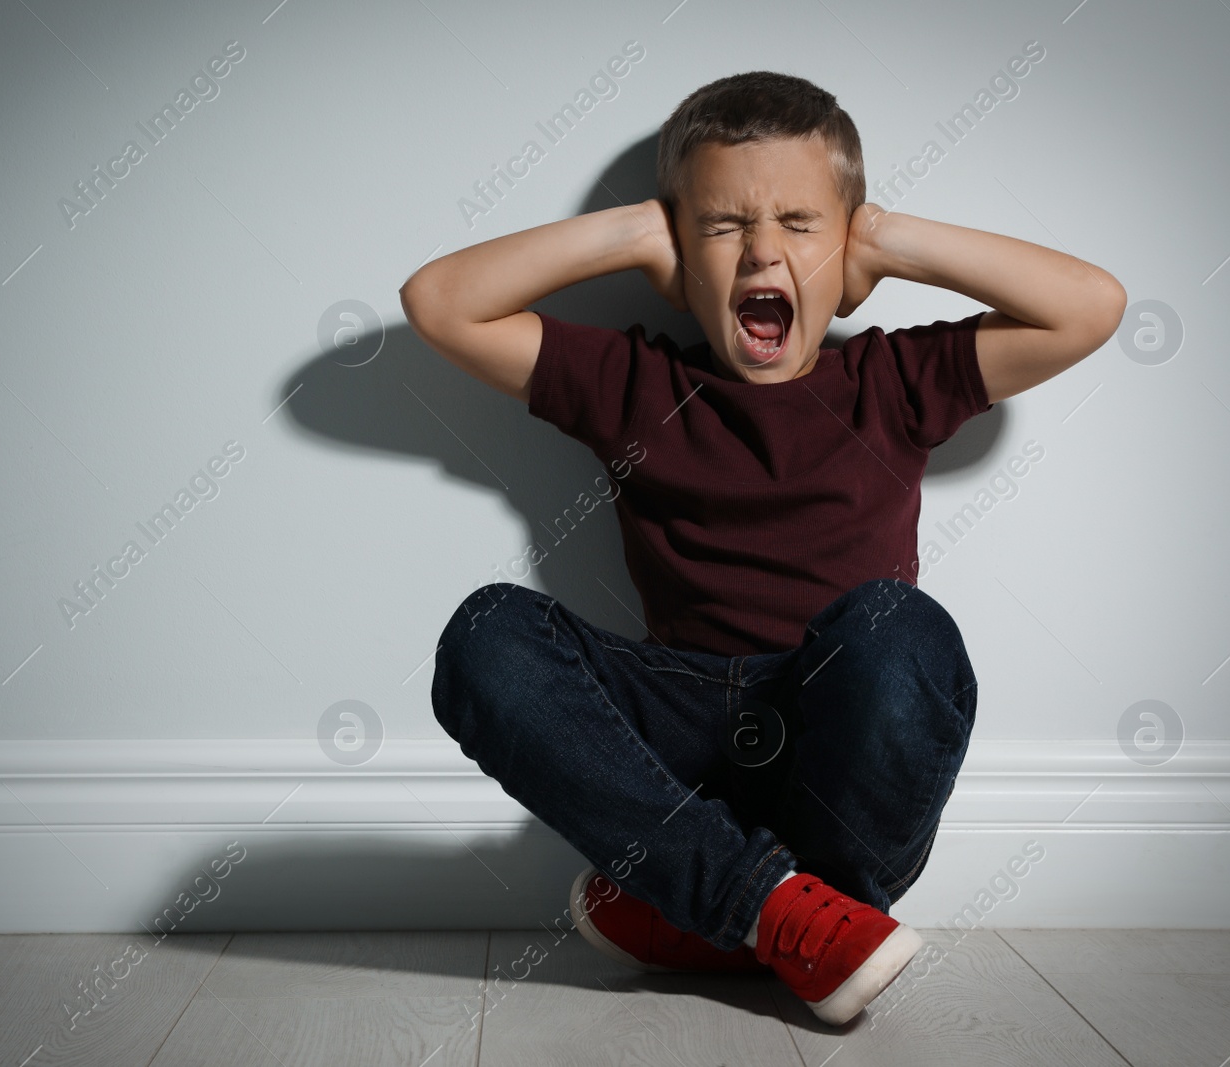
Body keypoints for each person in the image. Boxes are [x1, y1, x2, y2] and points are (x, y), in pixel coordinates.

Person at [400, 70, 1125, 1026]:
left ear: (846, 246)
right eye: (722, 227)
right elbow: (438, 300)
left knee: (898, 624)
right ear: (679, 255)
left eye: (798, 223)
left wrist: (883, 239)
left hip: (837, 742)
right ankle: (772, 910)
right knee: (486, 633)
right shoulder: (631, 380)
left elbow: (1091, 304)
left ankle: (718, 913)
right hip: (683, 733)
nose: (761, 251)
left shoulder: (893, 380)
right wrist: (632, 234)